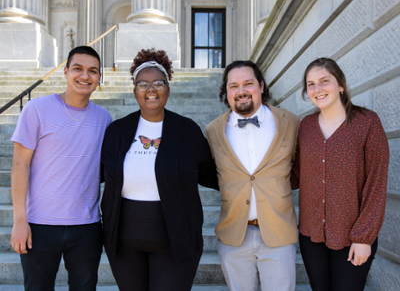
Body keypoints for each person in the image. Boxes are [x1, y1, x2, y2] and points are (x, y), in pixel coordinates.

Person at [100, 48, 219, 291]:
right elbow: (99, 174)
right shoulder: (117, 131)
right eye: (142, 84)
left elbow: (212, 174)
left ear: (168, 87)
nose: (150, 89)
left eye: (158, 83)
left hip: (176, 238)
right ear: (134, 90)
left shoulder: (187, 131)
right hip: (124, 241)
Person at [10, 46, 112, 290]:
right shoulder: (37, 109)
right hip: (39, 225)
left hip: (86, 227)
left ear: (99, 78)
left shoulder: (104, 118)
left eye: (93, 71)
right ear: (65, 72)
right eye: (78, 68)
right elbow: (19, 165)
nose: (85, 76)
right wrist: (19, 220)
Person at [291, 58, 389, 291]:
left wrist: (364, 238)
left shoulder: (367, 123)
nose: (317, 89)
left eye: (324, 81)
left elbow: (376, 184)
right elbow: (296, 175)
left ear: (341, 85)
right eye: (311, 84)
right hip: (311, 234)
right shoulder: (306, 126)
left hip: (352, 236)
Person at [204, 60, 300, 291]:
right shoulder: (213, 131)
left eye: (248, 83)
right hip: (234, 234)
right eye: (233, 86)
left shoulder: (290, 123)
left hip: (278, 232)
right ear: (226, 92)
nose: (241, 91)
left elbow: (299, 167)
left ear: (262, 86)